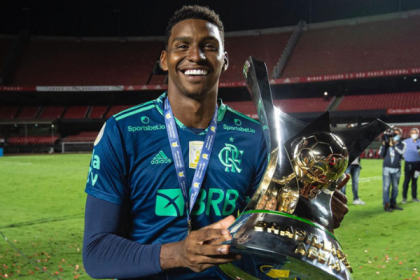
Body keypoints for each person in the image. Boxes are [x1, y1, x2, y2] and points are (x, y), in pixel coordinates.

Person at [82, 5, 349, 280]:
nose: (195, 56)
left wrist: (313, 217)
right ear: (164, 59)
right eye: (182, 46)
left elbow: (270, 236)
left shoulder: (256, 137)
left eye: (209, 46)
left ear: (225, 59)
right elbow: (96, 253)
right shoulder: (124, 131)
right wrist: (178, 253)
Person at [379, 127, 405, 212]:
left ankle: (393, 203)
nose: (395, 135)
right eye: (394, 134)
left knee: (395, 187)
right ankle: (386, 205)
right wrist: (384, 144)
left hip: (396, 168)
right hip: (386, 168)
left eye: (397, 134)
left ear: (400, 135)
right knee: (386, 187)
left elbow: (401, 153)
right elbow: (381, 155)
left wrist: (393, 145)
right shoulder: (386, 144)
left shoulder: (402, 144)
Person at [402, 128, 420, 203]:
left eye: (415, 133)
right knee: (406, 180)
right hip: (408, 163)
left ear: (418, 134)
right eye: (413, 133)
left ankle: (414, 197)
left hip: (418, 164)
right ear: (410, 134)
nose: (414, 134)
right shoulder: (405, 142)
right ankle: (404, 198)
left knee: (415, 180)